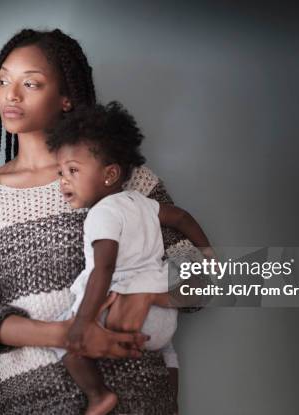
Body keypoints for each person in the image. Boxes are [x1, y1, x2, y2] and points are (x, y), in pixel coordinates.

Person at [0, 28, 202, 414]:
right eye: (3, 81)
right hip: (32, 402)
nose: (10, 95)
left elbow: (203, 280)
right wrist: (69, 336)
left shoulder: (125, 179)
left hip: (137, 394)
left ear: (66, 99)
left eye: (30, 83)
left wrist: (144, 294)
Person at [46, 101, 215, 415]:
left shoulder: (102, 214)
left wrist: (83, 322)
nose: (63, 181)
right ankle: (172, 405)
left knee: (62, 340)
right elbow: (180, 218)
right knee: (167, 349)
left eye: (73, 170)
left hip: (122, 314)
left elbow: (104, 267)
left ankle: (98, 396)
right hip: (161, 317)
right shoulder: (142, 203)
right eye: (60, 172)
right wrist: (207, 254)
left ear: (110, 174)